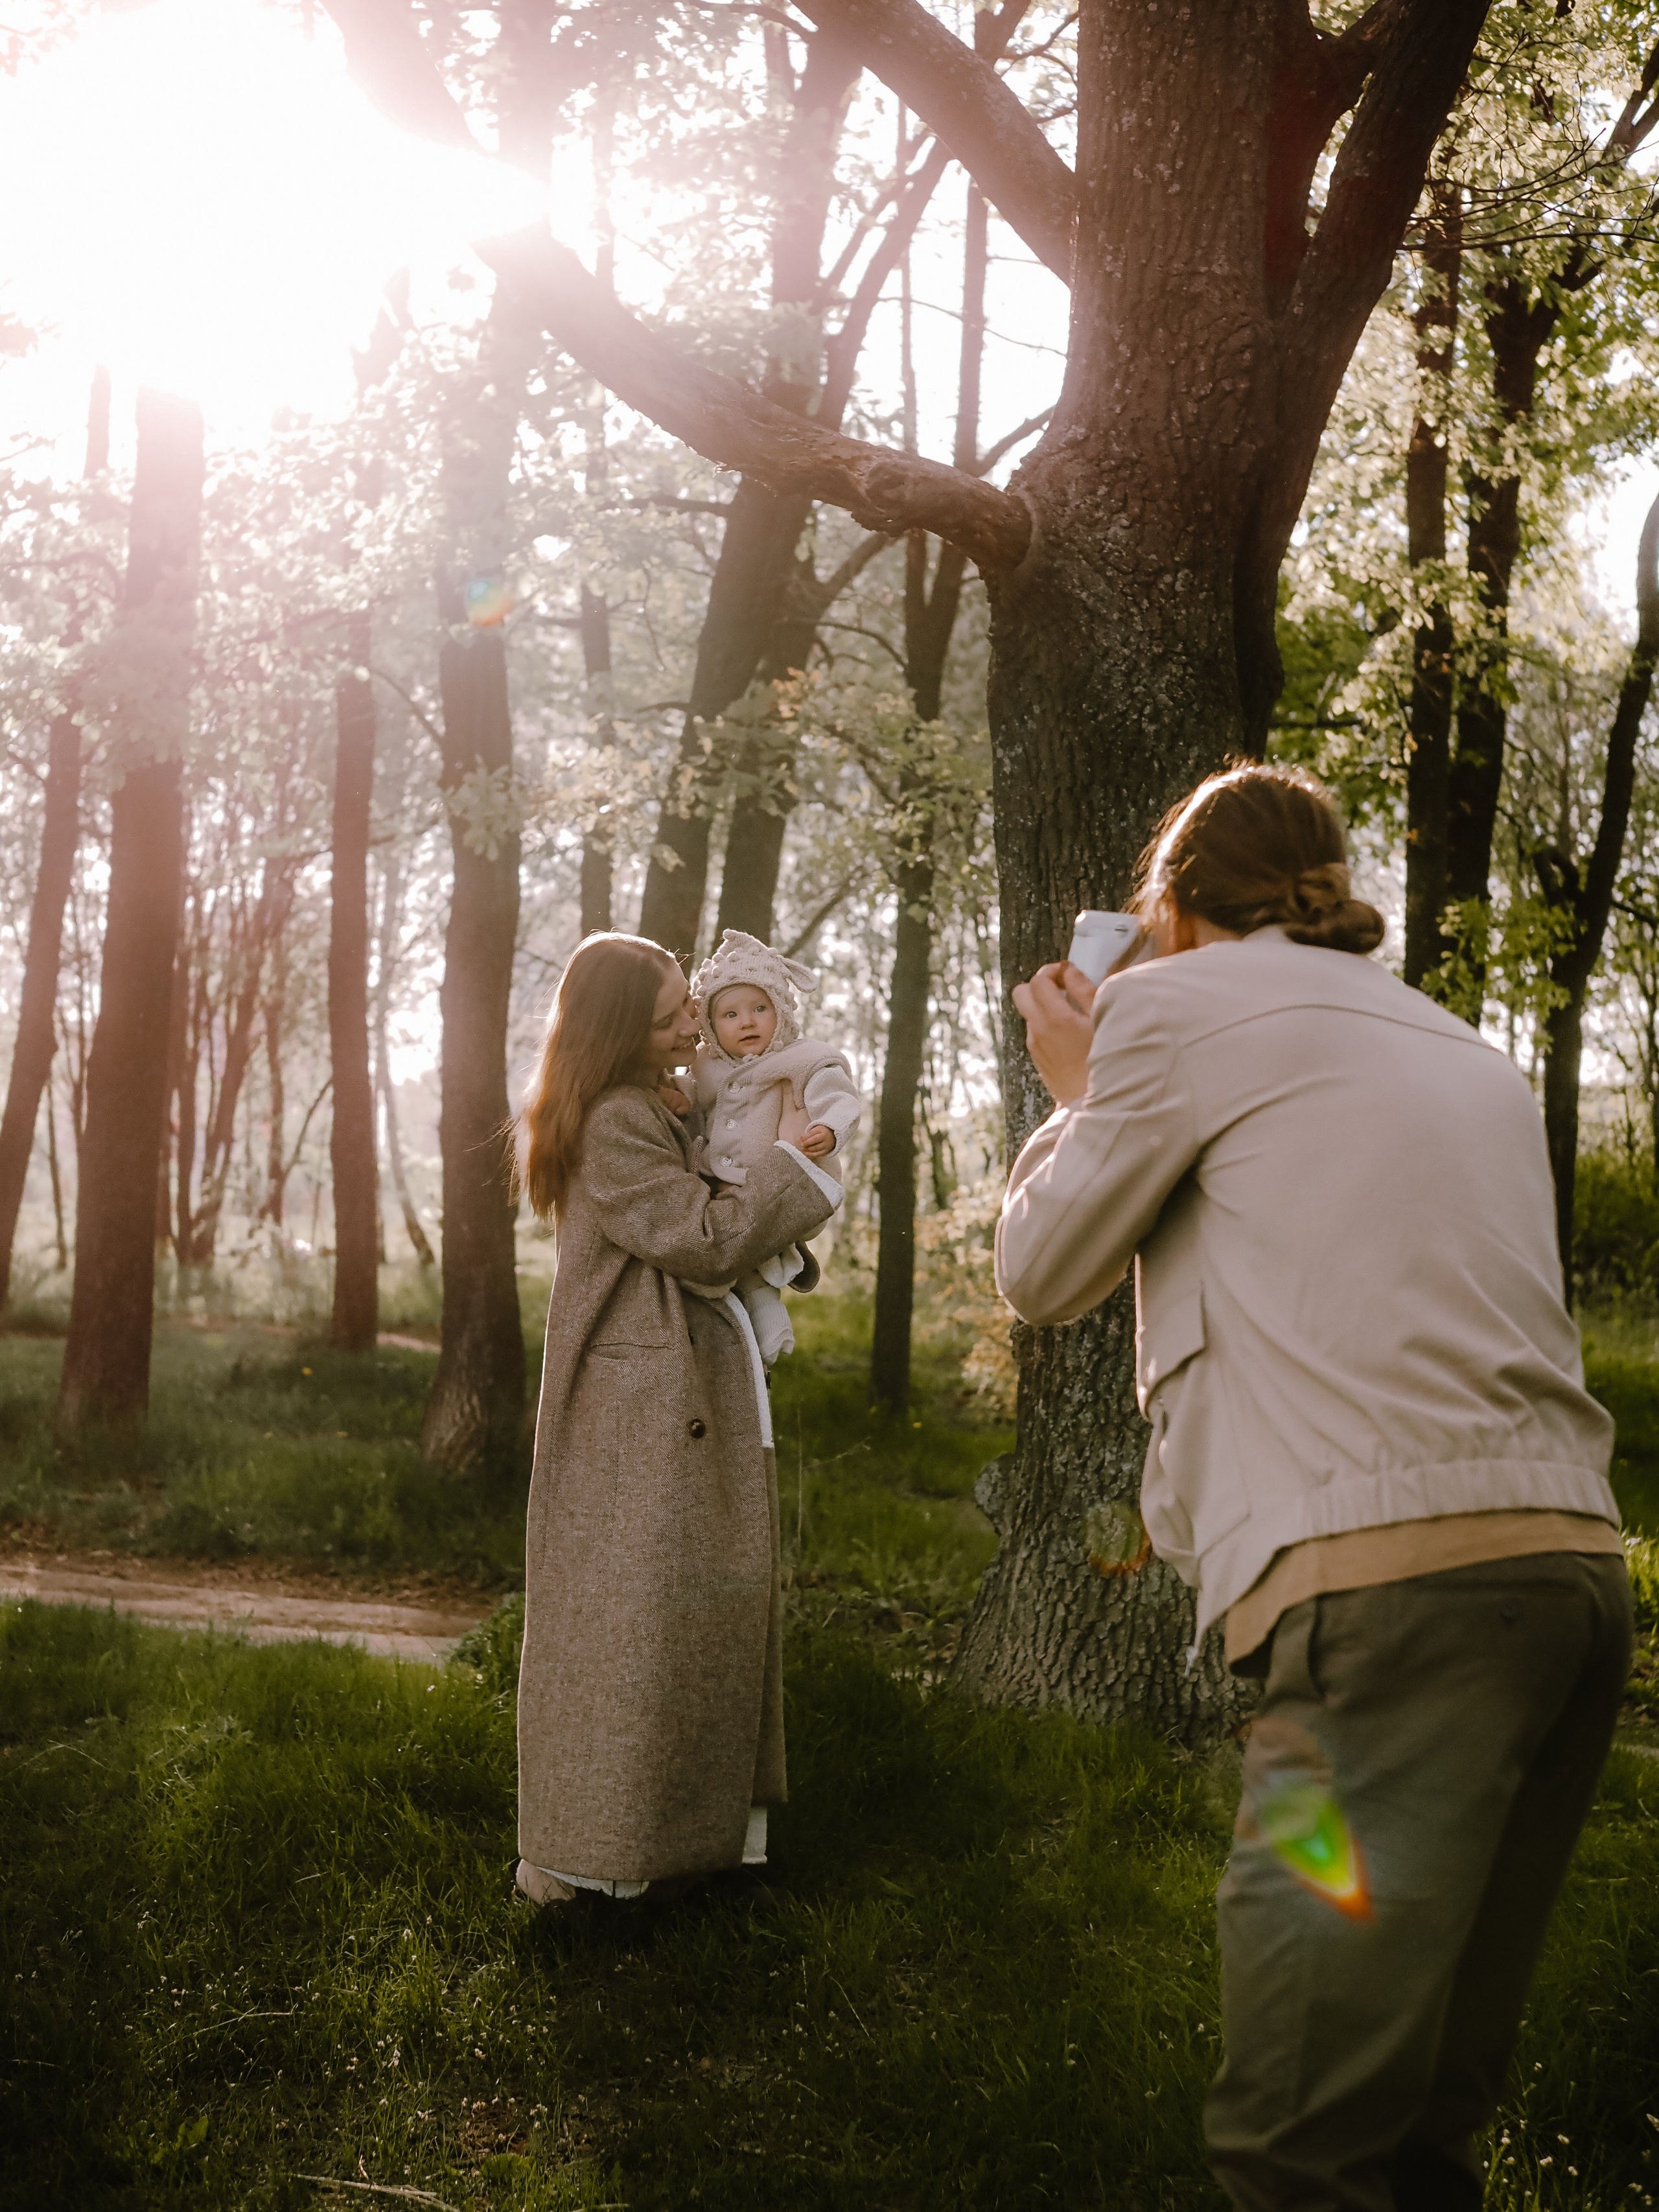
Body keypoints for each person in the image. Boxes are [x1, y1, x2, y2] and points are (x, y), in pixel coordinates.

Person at [995, 763, 1632, 2211]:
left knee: (1298, 2140)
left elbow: (1043, 1271)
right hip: (1568, 1580)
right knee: (1419, 2120)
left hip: (1377, 1603)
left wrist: (1072, 1095)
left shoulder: (1169, 1008)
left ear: (1169, 909)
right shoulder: (1458, 1044)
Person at [513, 931, 841, 1907]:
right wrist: (795, 1170)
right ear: (624, 1032)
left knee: (680, 1621)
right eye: (670, 1016)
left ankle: (674, 1845)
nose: (693, 1020)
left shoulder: (654, 1101)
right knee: (634, 1631)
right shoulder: (614, 1119)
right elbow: (701, 1241)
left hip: (665, 1390)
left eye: (686, 1006)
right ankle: (594, 1862)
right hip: (635, 1401)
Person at [679, 929, 862, 1366]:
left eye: (760, 1008)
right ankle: (746, 1315)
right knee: (727, 1249)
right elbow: (692, 1096)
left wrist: (831, 1128)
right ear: (709, 1023)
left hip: (778, 1180)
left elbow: (839, 1096)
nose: (747, 1021)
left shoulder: (802, 1057)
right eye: (731, 1014)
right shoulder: (708, 1067)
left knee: (759, 1246)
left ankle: (768, 1308)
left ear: (780, 1011)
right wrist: (675, 1096)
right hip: (720, 1183)